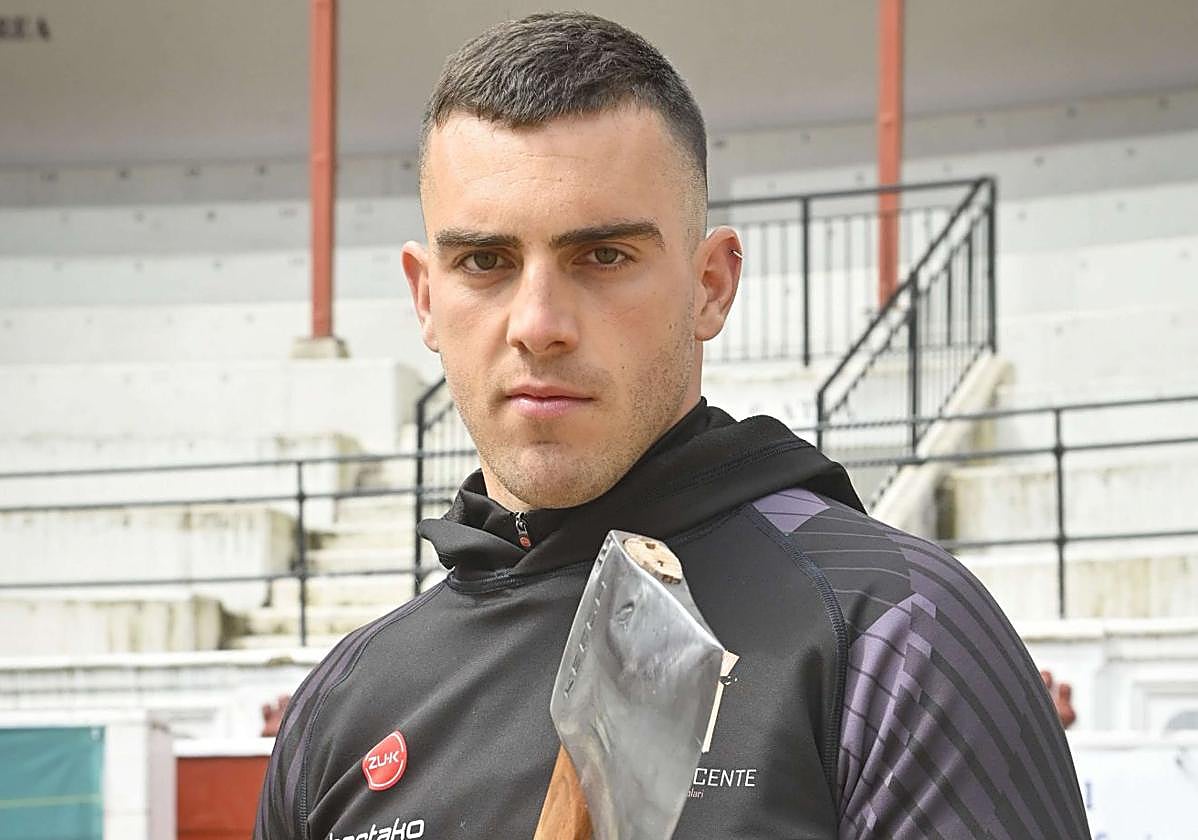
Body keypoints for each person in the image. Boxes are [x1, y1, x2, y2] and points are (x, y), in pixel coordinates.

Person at [255, 12, 1088, 839]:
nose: (538, 323)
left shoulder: (893, 630)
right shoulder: (345, 704)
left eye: (603, 256)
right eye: (485, 262)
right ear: (426, 297)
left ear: (711, 286)